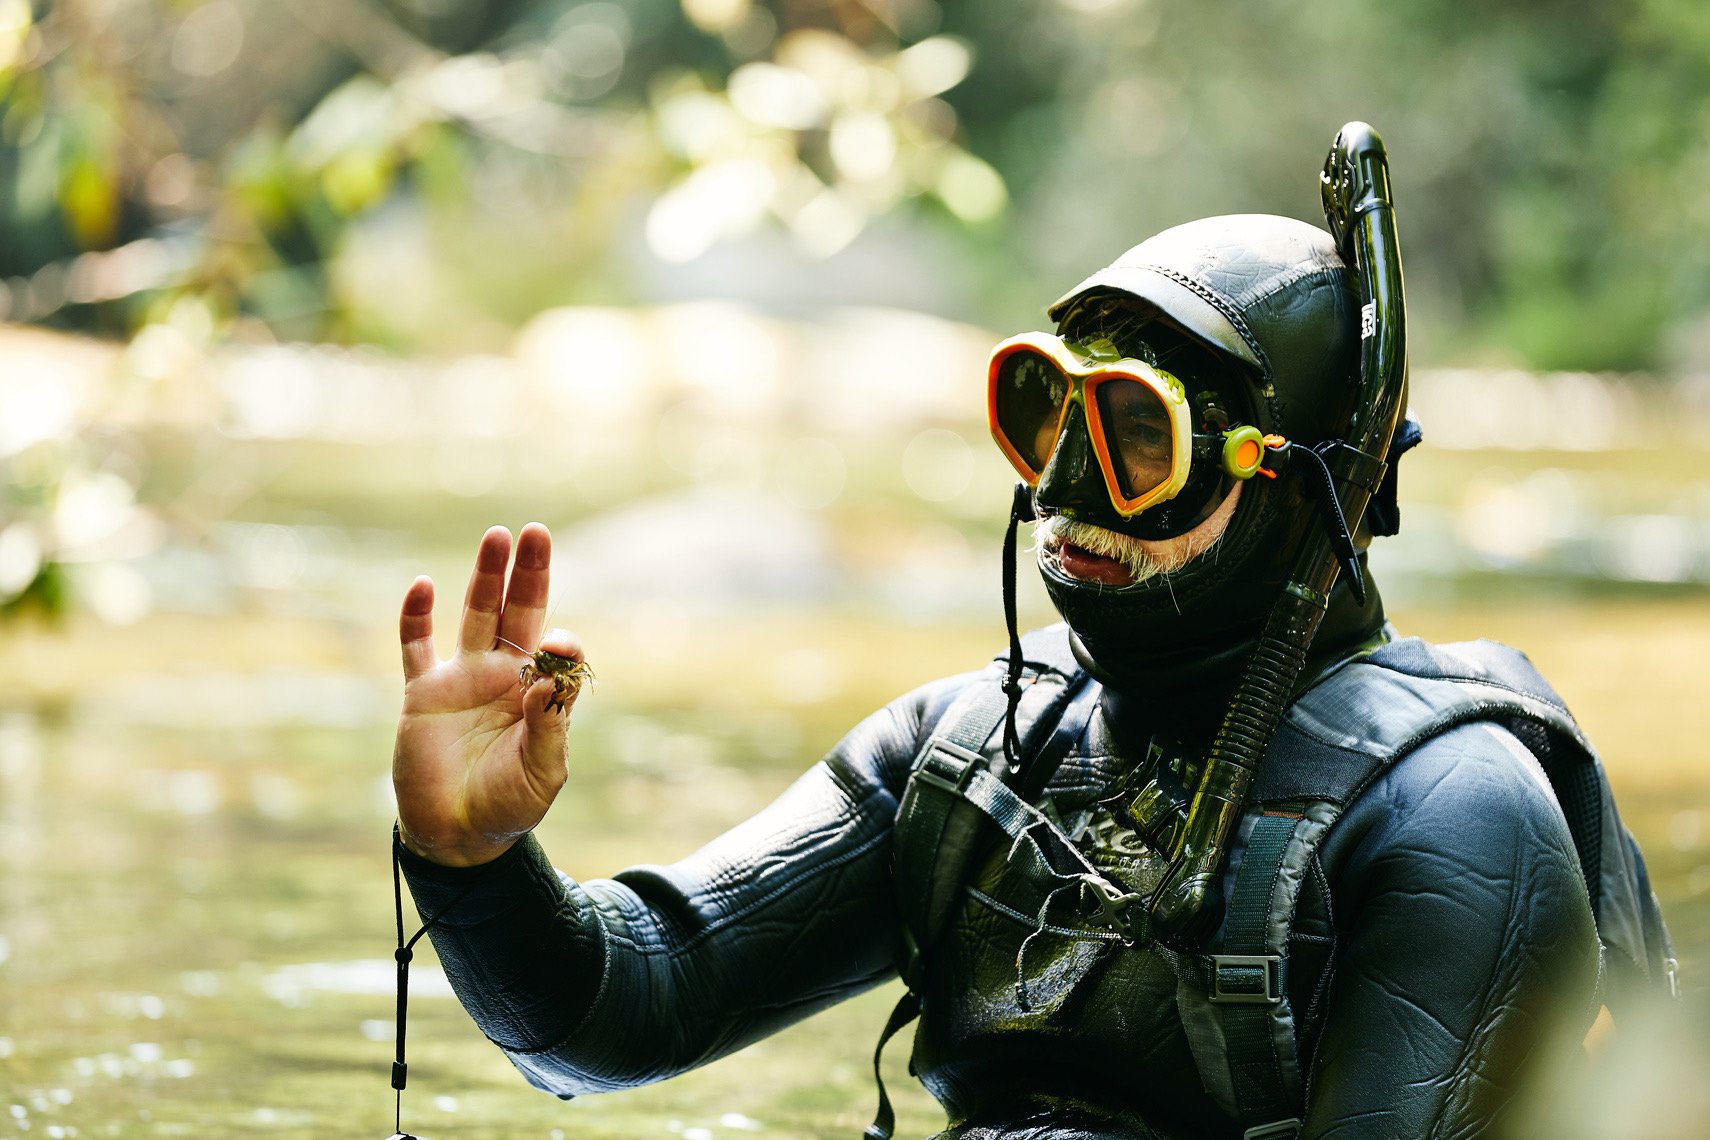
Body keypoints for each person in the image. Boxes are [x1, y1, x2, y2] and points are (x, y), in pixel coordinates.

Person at [390, 130, 1672, 1138]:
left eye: (1136, 439)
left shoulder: (1454, 823)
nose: (1064, 494)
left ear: (1304, 485)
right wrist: (478, 862)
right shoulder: (968, 760)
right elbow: (623, 1007)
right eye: (1048, 415)